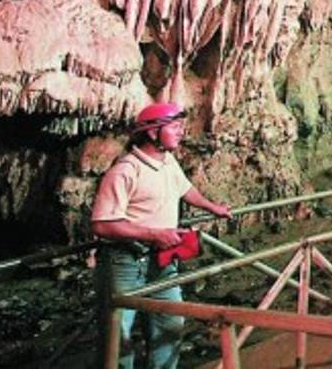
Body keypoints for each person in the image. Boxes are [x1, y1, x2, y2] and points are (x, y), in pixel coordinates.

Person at [91, 102, 232, 369]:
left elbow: (185, 189)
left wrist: (212, 207)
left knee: (170, 325)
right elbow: (102, 224)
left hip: (163, 261)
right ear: (154, 132)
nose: (182, 132)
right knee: (118, 338)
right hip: (125, 263)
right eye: (175, 127)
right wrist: (153, 234)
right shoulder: (124, 171)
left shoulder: (168, 162)